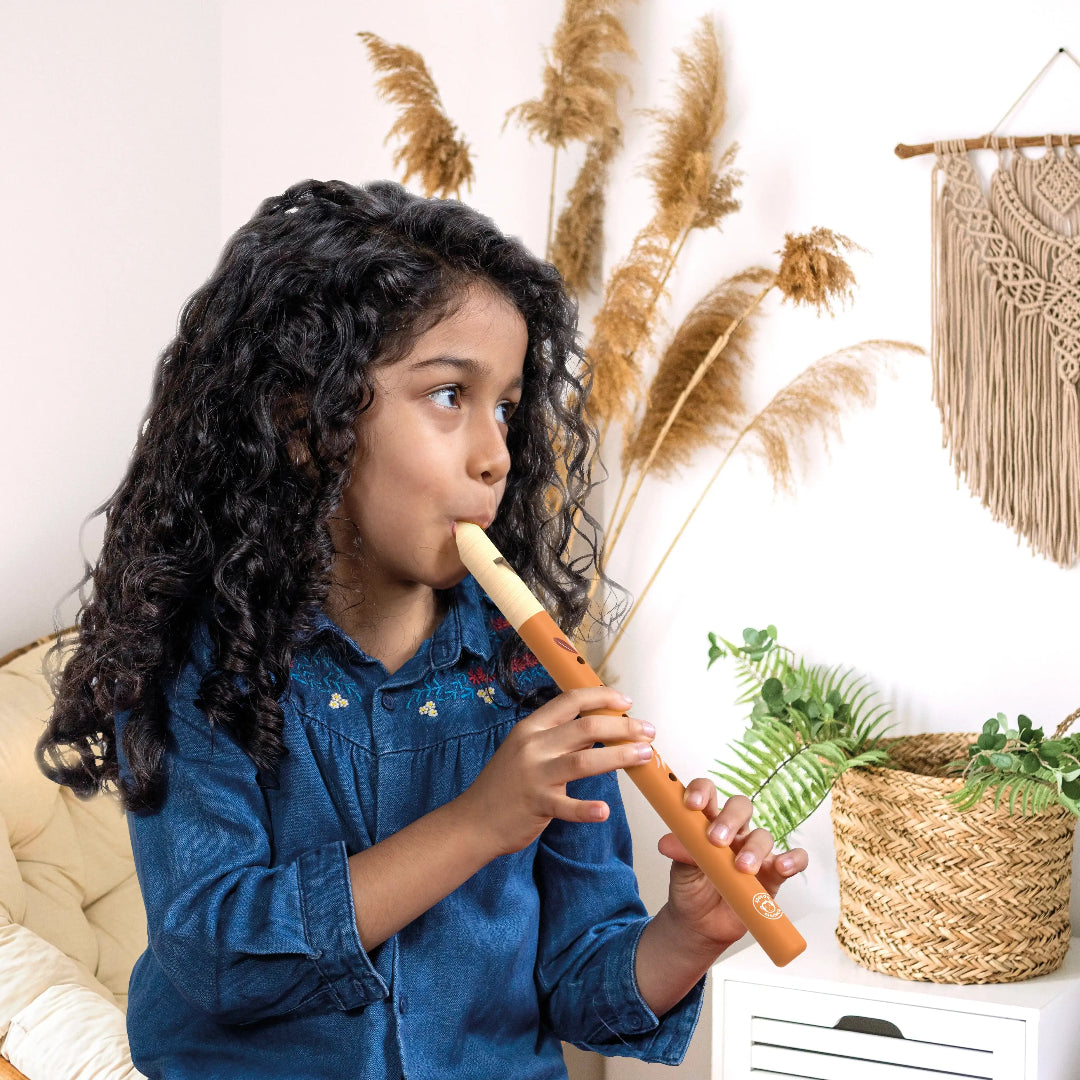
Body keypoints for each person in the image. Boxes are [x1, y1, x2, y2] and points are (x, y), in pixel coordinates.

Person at [37, 179, 808, 1079]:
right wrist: (481, 821)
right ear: (306, 420)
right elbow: (217, 954)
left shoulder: (531, 676)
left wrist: (688, 931)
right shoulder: (205, 662)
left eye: (508, 407)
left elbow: (579, 987)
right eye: (449, 394)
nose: (495, 454)